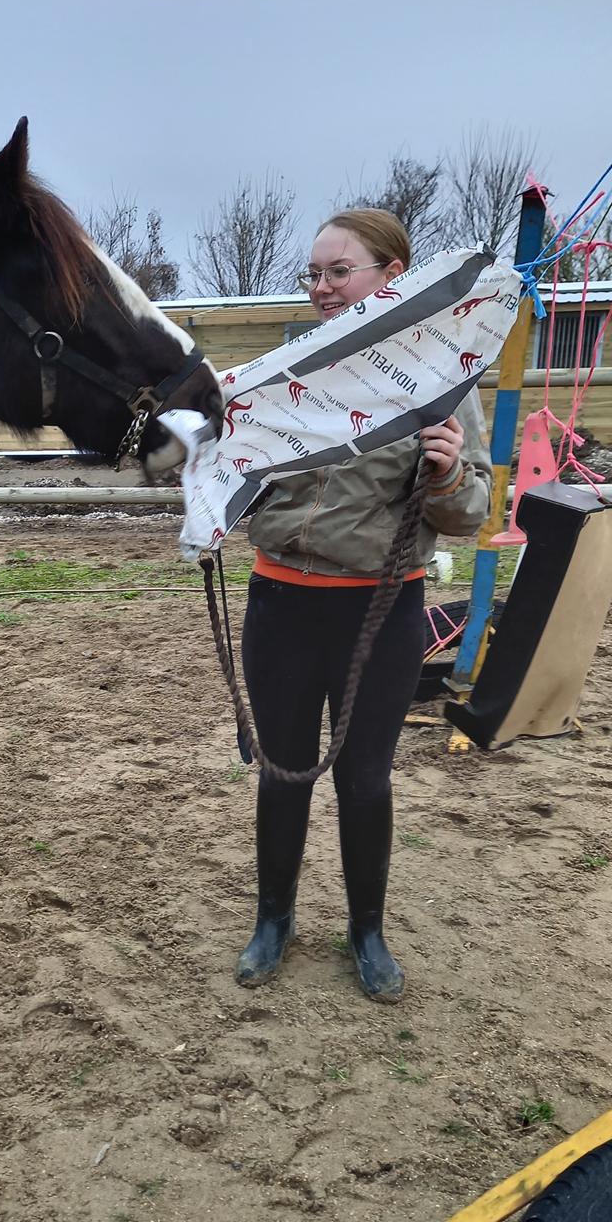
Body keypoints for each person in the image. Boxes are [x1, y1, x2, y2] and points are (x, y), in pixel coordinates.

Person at [234, 208, 492, 1003]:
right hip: (280, 602)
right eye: (313, 273)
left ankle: (366, 931)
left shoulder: (442, 379)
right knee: (282, 772)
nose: (320, 288)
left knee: (365, 780)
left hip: (379, 614)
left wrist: (449, 473)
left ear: (390, 276)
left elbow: (469, 512)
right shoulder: (285, 367)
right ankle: (273, 921)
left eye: (338, 272)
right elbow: (242, 475)